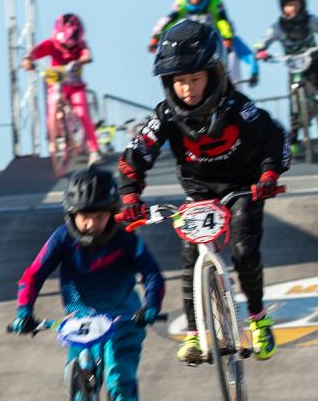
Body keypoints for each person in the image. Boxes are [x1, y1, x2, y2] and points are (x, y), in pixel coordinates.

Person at [118, 19, 289, 363]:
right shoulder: (166, 115)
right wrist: (130, 196)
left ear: (214, 73)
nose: (187, 88)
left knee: (243, 249)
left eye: (195, 78)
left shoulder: (238, 107)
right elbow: (136, 155)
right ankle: (195, 335)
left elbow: (274, 136)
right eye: (178, 80)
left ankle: (258, 319)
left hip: (244, 188)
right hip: (199, 194)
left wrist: (269, 174)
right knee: (189, 257)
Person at [10, 167, 164, 401]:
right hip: (80, 322)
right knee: (76, 394)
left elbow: (152, 274)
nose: (91, 224)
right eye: (84, 217)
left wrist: (151, 305)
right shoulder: (62, 238)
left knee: (119, 378)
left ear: (112, 214)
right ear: (72, 215)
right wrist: (25, 310)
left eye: (99, 216)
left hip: (124, 319)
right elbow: (33, 274)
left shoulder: (125, 239)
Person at [22, 14, 101, 166]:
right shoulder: (50, 44)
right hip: (56, 84)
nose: (67, 49)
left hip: (75, 86)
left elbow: (87, 55)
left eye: (70, 46)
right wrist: (28, 60)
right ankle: (53, 139)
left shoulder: (81, 45)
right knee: (52, 109)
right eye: (64, 45)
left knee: (82, 113)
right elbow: (34, 52)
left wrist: (80, 60)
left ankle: (94, 149)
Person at [254, 0, 318, 157]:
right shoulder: (278, 27)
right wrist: (260, 50)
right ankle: (294, 139)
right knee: (294, 102)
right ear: (282, 7)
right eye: (289, 5)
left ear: (302, 4)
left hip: (313, 63)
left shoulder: (310, 21)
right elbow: (262, 42)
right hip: (293, 67)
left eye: (296, 4)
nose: (293, 8)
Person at [149, 0, 234, 53]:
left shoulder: (214, 2)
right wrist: (155, 37)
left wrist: (227, 38)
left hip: (215, 41)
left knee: (232, 53)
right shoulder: (182, 3)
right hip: (192, 42)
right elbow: (168, 21)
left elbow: (222, 21)